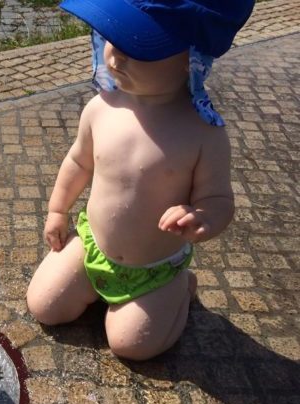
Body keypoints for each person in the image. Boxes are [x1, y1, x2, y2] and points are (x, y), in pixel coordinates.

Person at [26, 0, 255, 360]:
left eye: (136, 46)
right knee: (44, 306)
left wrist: (203, 218)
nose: (115, 56)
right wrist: (58, 210)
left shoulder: (203, 134)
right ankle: (96, 285)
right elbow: (78, 162)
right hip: (93, 246)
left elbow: (219, 200)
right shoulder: (102, 108)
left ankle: (180, 290)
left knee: (132, 345)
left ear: (191, 58)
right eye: (111, 37)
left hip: (154, 269)